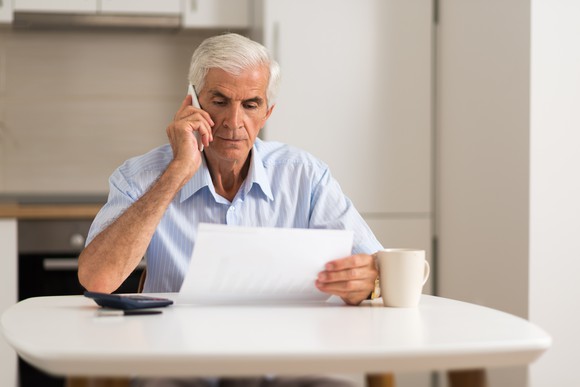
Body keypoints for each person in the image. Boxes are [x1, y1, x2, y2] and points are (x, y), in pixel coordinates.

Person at [78, 33, 383, 387]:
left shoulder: (305, 175)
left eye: (251, 104)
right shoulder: (140, 176)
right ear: (192, 102)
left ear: (268, 112)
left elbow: (380, 270)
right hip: (177, 365)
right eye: (219, 101)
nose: (233, 121)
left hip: (283, 363)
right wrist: (177, 171)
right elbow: (96, 279)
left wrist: (369, 282)